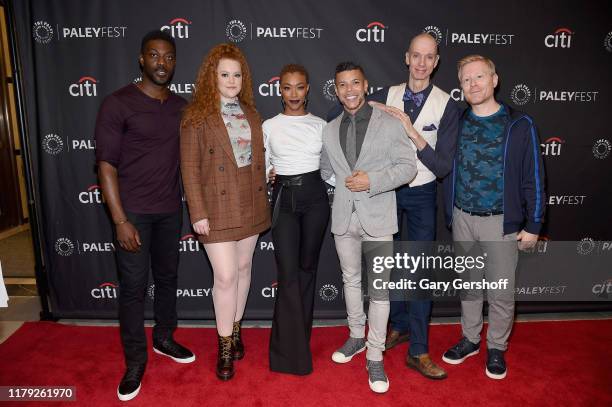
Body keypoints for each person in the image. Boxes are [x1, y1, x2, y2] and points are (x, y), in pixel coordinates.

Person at [95, 30, 195, 402]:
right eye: (154, 55)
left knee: (168, 280)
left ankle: (165, 338)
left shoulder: (181, 106)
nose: (161, 63)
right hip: (133, 214)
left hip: (170, 211)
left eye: (168, 57)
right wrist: (120, 220)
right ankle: (135, 360)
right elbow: (105, 166)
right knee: (134, 291)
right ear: (141, 59)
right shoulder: (117, 103)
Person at [441, 55, 545, 380]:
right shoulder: (455, 121)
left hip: (500, 222)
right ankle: (470, 339)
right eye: (466, 80)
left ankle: (496, 347)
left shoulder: (519, 124)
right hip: (462, 218)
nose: (473, 84)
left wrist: (534, 224)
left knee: (500, 290)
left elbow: (534, 178)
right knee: (469, 286)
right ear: (461, 86)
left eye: (479, 77)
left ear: (494, 79)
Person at [366, 32, 459, 380]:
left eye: (428, 57)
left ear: (436, 62)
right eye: (416, 56)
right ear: (406, 57)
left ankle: (418, 349)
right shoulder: (384, 95)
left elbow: (443, 166)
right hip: (387, 192)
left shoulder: (447, 104)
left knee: (419, 271)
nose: (421, 63)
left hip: (421, 194)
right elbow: (345, 107)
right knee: (388, 265)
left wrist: (410, 130)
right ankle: (400, 326)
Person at [320, 62, 417, 393]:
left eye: (355, 83)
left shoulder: (389, 124)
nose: (349, 89)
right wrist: (346, 188)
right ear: (336, 89)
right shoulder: (329, 129)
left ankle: (375, 355)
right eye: (342, 84)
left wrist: (371, 181)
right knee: (350, 281)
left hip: (378, 218)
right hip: (344, 218)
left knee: (379, 291)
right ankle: (357, 337)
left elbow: (407, 168)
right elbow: (325, 170)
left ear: (365, 85)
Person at [180, 43, 271, 381]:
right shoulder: (196, 116)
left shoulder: (250, 112)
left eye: (237, 74)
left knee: (245, 268)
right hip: (215, 208)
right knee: (226, 276)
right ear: (211, 77)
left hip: (250, 202)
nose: (231, 80)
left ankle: (236, 329)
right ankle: (223, 345)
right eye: (224, 74)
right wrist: (197, 212)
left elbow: (256, 159)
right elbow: (190, 170)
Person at [264, 64, 330, 375]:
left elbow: (330, 165)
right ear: (279, 90)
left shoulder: (320, 125)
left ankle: (300, 338)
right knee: (288, 274)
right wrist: (268, 174)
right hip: (284, 200)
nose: (294, 94)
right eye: (287, 87)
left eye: (299, 87)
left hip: (316, 199)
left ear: (308, 89)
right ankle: (286, 354)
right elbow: (261, 166)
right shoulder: (268, 126)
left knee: (307, 271)